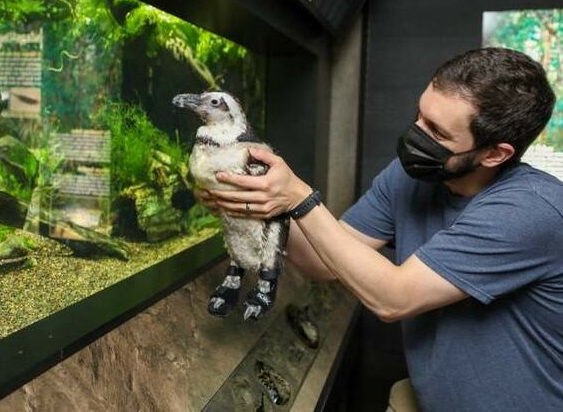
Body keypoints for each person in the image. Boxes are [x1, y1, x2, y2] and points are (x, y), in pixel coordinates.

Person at [198, 47, 563, 412]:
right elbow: (322, 262)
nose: (416, 135)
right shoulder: (411, 176)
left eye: (437, 132)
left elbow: (394, 298)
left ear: (495, 154)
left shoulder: (530, 210)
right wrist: (253, 203)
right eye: (420, 115)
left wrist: (297, 197)